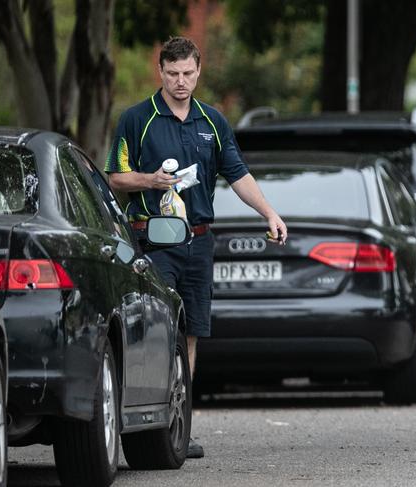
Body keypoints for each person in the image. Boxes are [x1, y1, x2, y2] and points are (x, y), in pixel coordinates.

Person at [105, 36, 287, 458]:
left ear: (199, 70)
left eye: (188, 73)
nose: (181, 81)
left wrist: (269, 214)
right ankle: (147, 426)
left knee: (191, 332)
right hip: (155, 237)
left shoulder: (212, 122)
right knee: (160, 326)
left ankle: (179, 426)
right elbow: (115, 176)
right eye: (173, 74)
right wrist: (150, 180)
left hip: (199, 241)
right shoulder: (138, 119)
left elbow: (238, 175)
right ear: (161, 72)